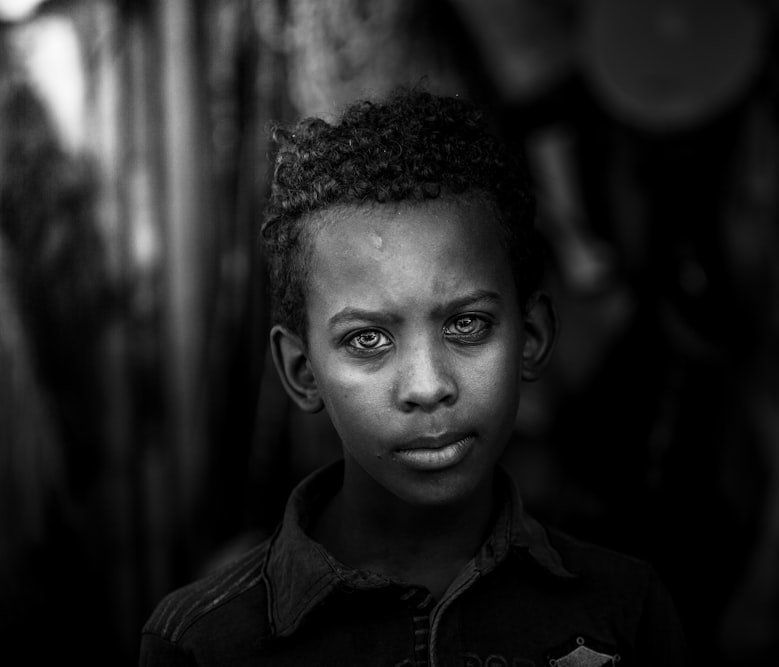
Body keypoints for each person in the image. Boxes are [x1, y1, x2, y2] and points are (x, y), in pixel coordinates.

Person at [139, 86, 688, 666]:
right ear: (302, 373)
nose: (427, 387)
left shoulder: (624, 612)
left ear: (531, 338)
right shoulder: (206, 643)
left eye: (468, 324)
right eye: (367, 339)